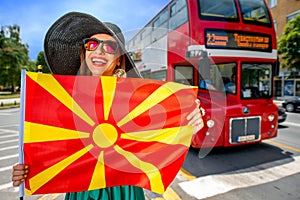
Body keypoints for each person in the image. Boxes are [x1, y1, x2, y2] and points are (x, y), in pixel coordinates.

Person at [12, 12, 204, 200]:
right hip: (82, 192)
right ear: (84, 54)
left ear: (119, 60)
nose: (99, 50)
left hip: (124, 192)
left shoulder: (136, 103)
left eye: (110, 47)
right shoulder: (67, 102)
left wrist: (188, 124)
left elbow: (159, 143)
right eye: (92, 44)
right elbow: (54, 149)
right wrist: (28, 169)